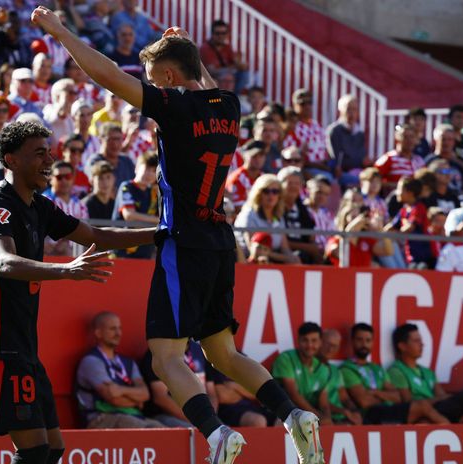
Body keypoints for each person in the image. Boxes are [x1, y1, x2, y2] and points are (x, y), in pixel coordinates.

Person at [32, 9, 323, 462]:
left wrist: (60, 32)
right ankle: (293, 416)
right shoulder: (229, 105)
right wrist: (188, 49)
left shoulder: (175, 107)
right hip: (221, 240)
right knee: (223, 353)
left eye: (154, 78)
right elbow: (203, 81)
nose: (152, 86)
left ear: (169, 77)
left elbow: (108, 76)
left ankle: (217, 434)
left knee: (165, 356)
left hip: (183, 242)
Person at [0, 121, 156, 463]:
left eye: (49, 153)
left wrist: (163, 234)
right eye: (39, 153)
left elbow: (97, 235)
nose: (49, 161)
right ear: (11, 160)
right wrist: (67, 269)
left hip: (22, 343)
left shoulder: (39, 206)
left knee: (52, 449)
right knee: (35, 451)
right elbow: (5, 263)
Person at [341, 323, 449, 425]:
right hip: (372, 414)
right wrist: (387, 396)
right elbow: (364, 402)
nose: (364, 344)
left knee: (425, 419)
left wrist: (376, 393)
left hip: (390, 409)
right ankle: (452, 429)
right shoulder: (348, 369)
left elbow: (397, 397)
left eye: (368, 340)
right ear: (352, 341)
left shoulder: (377, 368)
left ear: (372, 343)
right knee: (422, 406)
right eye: (359, 340)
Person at [76, 311, 164, 429]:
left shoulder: (128, 363)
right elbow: (113, 398)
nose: (118, 333)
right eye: (112, 329)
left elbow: (145, 394)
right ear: (98, 333)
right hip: (101, 418)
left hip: (133, 416)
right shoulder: (91, 361)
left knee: (163, 430)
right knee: (146, 430)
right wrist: (136, 401)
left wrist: (120, 390)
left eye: (119, 328)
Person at [388, 323, 463, 423]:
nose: (422, 344)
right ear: (402, 346)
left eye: (421, 340)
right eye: (416, 341)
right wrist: (439, 399)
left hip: (439, 409)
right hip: (424, 413)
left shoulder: (428, 372)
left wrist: (443, 398)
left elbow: (442, 396)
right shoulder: (396, 371)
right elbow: (408, 404)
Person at [140, 340, 217, 427]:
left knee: (223, 430)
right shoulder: (157, 353)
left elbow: (211, 393)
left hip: (202, 416)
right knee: (202, 431)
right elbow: (160, 398)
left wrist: (210, 416)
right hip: (167, 416)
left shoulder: (200, 350)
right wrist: (198, 419)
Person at [272, 323, 332, 425]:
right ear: (298, 340)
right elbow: (293, 394)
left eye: (314, 341)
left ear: (320, 342)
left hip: (306, 415)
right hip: (280, 412)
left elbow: (324, 403)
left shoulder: (323, 369)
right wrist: (317, 417)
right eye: (305, 340)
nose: (310, 345)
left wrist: (327, 419)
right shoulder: (286, 359)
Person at [235, 174, 300, 264]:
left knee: (298, 258)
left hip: (271, 260)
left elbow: (285, 248)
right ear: (258, 194)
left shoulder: (278, 216)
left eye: (275, 191)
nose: (271, 195)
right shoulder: (249, 215)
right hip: (248, 262)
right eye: (266, 191)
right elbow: (253, 251)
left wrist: (293, 258)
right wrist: (282, 257)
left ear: (280, 195)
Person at [325, 189, 392, 267]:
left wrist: (381, 230)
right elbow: (338, 253)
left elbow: (388, 251)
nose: (358, 220)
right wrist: (351, 228)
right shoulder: (335, 240)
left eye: (358, 217)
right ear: (344, 219)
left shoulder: (365, 240)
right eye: (353, 217)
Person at [112, 152, 158, 259]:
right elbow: (129, 215)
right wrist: (156, 220)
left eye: (154, 171)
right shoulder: (126, 187)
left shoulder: (154, 192)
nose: (150, 174)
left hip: (145, 250)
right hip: (122, 248)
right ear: (136, 168)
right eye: (147, 168)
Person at [43, 160, 89, 256]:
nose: (64, 181)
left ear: (73, 178)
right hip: (47, 255)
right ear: (50, 178)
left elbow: (85, 232)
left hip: (75, 254)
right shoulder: (43, 201)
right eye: (59, 177)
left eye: (67, 176)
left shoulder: (80, 205)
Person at [385, 177, 432, 269]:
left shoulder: (419, 208)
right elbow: (391, 226)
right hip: (409, 255)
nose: (397, 192)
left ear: (410, 193)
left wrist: (395, 234)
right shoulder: (403, 210)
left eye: (400, 189)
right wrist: (381, 233)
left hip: (421, 255)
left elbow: (409, 228)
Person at [317, 329, 363, 424]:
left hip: (342, 418)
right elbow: (315, 401)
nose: (330, 349)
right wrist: (343, 411)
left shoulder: (335, 370)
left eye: (334, 346)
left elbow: (344, 398)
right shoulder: (312, 368)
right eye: (327, 344)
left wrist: (355, 412)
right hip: (323, 419)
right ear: (320, 342)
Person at [278, 166, 321, 264]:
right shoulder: (274, 207)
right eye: (289, 183)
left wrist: (313, 248)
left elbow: (310, 234)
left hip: (304, 253)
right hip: (282, 253)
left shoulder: (302, 208)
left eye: (297, 183)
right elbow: (278, 240)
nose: (293, 187)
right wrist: (309, 248)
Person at [326, 94, 368, 188]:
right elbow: (335, 158)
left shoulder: (359, 133)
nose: (351, 113)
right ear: (340, 110)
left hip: (357, 171)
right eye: (348, 109)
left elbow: (362, 156)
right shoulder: (334, 131)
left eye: (354, 109)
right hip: (341, 173)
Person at [199, 20, 247, 93]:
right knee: (227, 77)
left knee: (244, 74)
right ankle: (225, 96)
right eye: (217, 33)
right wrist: (232, 67)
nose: (221, 36)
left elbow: (241, 66)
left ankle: (232, 95)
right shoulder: (205, 48)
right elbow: (212, 71)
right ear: (212, 34)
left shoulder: (227, 47)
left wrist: (238, 64)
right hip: (211, 78)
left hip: (225, 75)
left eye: (223, 33)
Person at [374, 124, 425, 191]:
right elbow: (373, 179)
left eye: (412, 137)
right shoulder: (389, 158)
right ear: (397, 139)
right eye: (405, 137)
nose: (409, 140)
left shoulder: (419, 161)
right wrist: (398, 186)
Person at [85, 122, 134, 188]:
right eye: (111, 139)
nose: (115, 144)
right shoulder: (95, 162)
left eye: (118, 139)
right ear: (101, 140)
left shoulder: (127, 161)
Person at [226, 140, 265, 210]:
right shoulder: (236, 179)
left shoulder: (264, 177)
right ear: (245, 156)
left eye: (261, 155)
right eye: (254, 156)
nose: (258, 159)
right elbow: (238, 208)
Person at [304, 176, 335, 250]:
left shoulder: (327, 215)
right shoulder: (301, 211)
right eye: (319, 192)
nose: (322, 197)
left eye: (326, 194)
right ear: (308, 190)